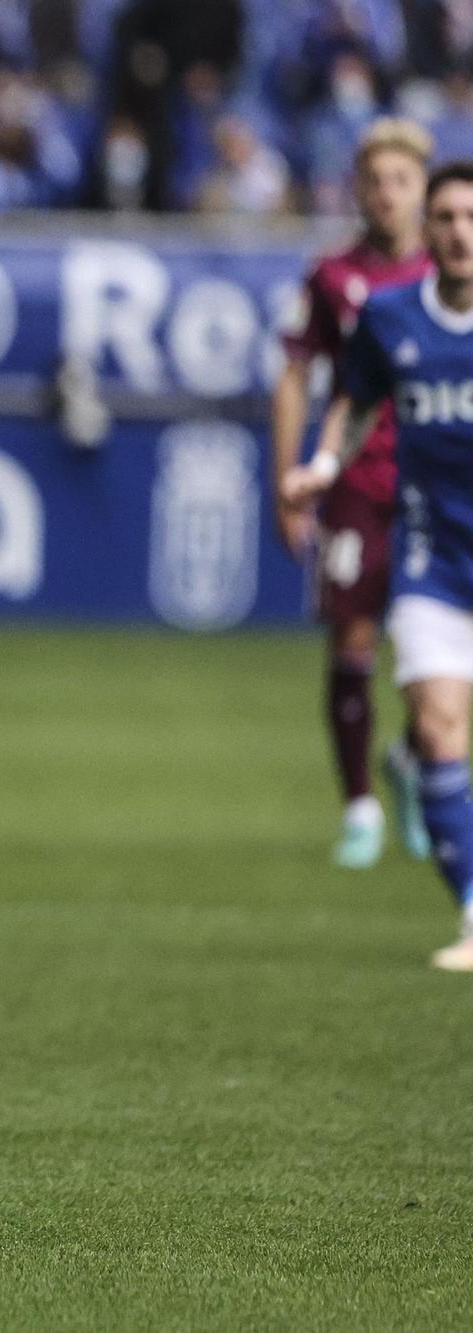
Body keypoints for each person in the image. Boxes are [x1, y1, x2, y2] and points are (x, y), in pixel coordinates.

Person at [284, 160, 473, 970]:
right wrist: (323, 466)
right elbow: (357, 403)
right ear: (425, 233)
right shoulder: (391, 318)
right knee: (436, 722)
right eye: (447, 218)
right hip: (433, 559)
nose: (462, 233)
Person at [271, 118, 433, 870]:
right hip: (359, 481)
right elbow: (296, 377)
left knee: (440, 656)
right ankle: (361, 803)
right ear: (359, 191)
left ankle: (414, 755)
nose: (388, 194)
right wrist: (289, 478)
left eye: (403, 180)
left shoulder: (452, 276)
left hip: (441, 480)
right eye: (376, 180)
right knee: (355, 637)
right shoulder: (333, 278)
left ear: (424, 189)